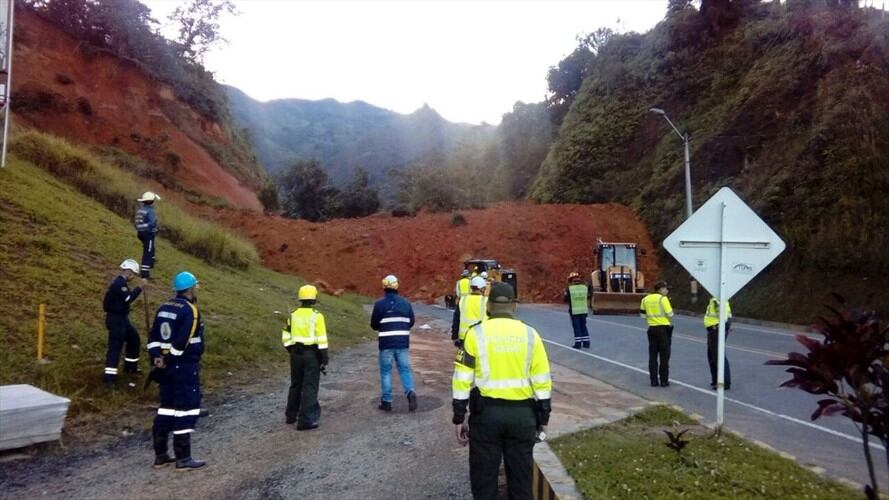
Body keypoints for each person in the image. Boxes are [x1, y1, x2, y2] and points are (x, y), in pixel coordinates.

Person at [452, 282, 552, 500]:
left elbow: (461, 379)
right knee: (521, 481)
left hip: (485, 418)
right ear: (514, 306)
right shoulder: (531, 335)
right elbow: (542, 382)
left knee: (484, 480)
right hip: (522, 418)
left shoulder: (475, 334)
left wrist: (459, 417)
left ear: (488, 306)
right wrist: (543, 417)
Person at [147, 271, 206, 470]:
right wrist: (170, 357)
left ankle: (161, 455)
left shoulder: (164, 307)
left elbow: (153, 337)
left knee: (166, 407)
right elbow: (182, 341)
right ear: (190, 289)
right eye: (195, 286)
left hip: (164, 368)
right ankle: (183, 458)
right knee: (185, 409)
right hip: (183, 365)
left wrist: (157, 357)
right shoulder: (190, 311)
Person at [282, 284, 329, 430]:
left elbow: (286, 335)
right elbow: (322, 340)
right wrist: (324, 359)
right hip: (311, 355)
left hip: (295, 354)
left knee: (295, 384)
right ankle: (306, 420)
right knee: (310, 386)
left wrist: (291, 349)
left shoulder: (293, 314)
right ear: (314, 299)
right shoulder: (317, 316)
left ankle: (291, 416)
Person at [370, 275, 417, 412]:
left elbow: (374, 324)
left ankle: (387, 401)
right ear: (397, 286)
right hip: (402, 342)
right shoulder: (406, 303)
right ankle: (410, 391)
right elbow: (411, 322)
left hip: (386, 343)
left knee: (386, 372)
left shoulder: (379, 304)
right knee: (404, 369)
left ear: (384, 287)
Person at [102, 259, 143, 385]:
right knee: (115, 347)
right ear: (129, 272)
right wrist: (139, 288)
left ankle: (130, 368)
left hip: (122, 318)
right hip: (116, 320)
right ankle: (109, 378)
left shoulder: (121, 282)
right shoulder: (119, 284)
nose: (133, 277)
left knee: (134, 339)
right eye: (134, 274)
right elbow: (128, 298)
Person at [640, 281, 674, 387]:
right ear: (661, 289)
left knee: (653, 356)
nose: (667, 291)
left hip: (652, 329)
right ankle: (664, 380)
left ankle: (653, 381)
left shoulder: (645, 299)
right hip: (663, 329)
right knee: (664, 356)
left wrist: (652, 318)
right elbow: (670, 314)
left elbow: (643, 315)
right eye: (666, 289)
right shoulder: (663, 299)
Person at [451, 276, 488, 348]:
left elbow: (456, 320)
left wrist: (454, 336)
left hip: (464, 336)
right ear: (482, 288)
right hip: (481, 336)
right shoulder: (486, 301)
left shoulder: (462, 300)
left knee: (464, 355)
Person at [705, 296, 732, 390]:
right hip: (713, 330)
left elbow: (723, 316)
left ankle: (724, 382)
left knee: (718, 356)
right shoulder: (715, 299)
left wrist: (722, 328)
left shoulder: (718, 300)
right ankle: (716, 379)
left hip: (716, 330)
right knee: (712, 356)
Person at [134, 192, 160, 279]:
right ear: (152, 201)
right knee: (148, 252)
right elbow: (152, 222)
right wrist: (155, 228)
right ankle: (144, 272)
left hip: (140, 233)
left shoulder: (140, 210)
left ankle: (150, 263)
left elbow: (137, 223)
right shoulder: (151, 211)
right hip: (148, 233)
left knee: (151, 249)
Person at [564, 272, 590, 349]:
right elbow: (588, 297)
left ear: (571, 280)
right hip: (584, 310)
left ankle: (578, 344)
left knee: (577, 327)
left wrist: (565, 293)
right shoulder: (585, 287)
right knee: (583, 326)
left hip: (574, 311)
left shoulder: (570, 289)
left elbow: (565, 299)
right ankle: (586, 343)